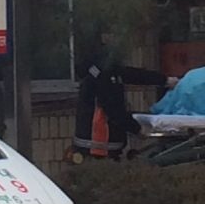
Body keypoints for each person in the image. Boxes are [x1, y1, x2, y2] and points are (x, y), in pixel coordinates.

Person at [69, 32, 175, 161]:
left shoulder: (98, 68)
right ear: (105, 38)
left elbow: (130, 74)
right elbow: (113, 109)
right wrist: (137, 129)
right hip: (99, 146)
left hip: (90, 143)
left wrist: (164, 80)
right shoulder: (104, 75)